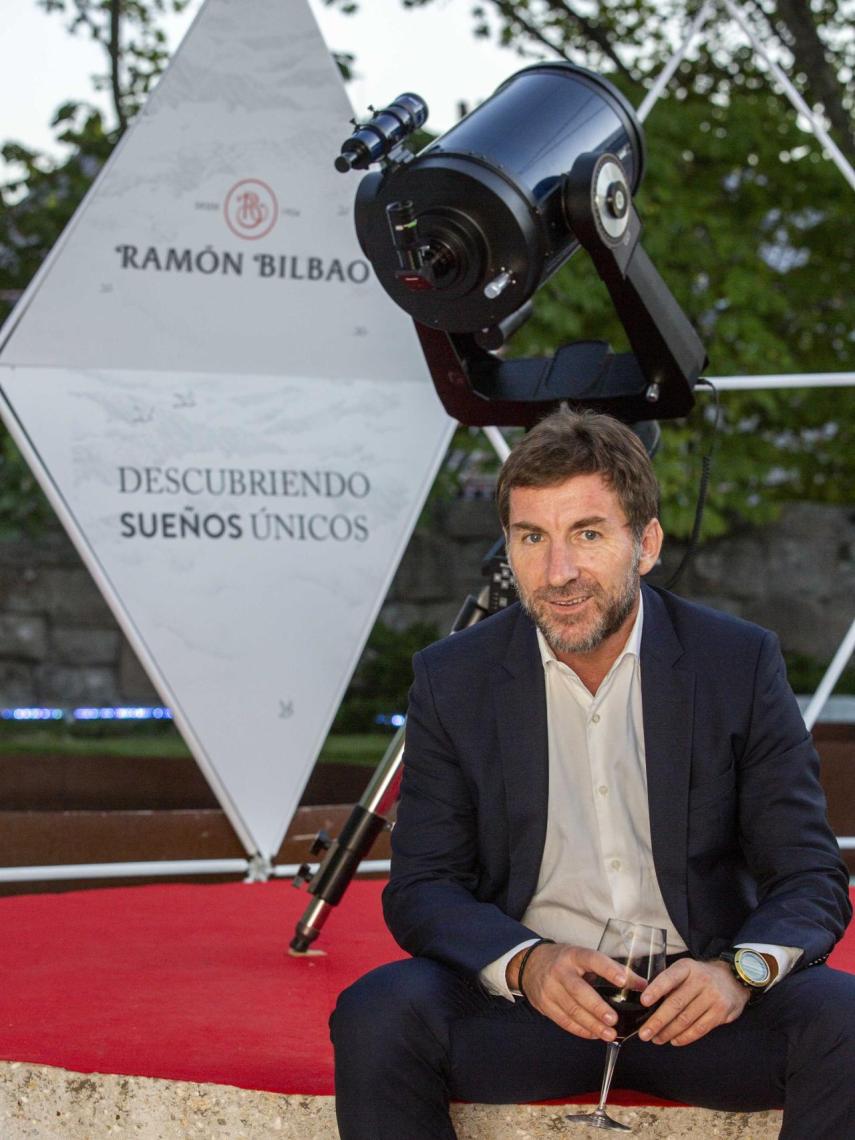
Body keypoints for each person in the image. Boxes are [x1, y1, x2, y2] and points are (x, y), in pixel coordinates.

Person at [330, 407, 854, 1140]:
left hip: (697, 1002)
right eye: (531, 537)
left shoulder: (735, 664)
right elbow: (423, 886)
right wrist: (524, 964)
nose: (558, 572)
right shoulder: (454, 677)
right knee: (378, 1010)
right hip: (533, 1005)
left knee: (845, 1022)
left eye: (587, 533)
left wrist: (737, 975)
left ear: (645, 544)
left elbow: (807, 876)